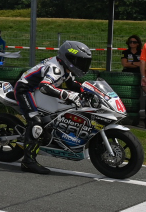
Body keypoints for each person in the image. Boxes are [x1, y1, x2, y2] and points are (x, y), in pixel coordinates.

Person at [14, 41, 91, 174]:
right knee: (35, 121)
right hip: (25, 90)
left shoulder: (65, 68)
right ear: (68, 59)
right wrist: (65, 94)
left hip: (37, 91)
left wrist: (88, 91)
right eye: (79, 61)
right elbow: (44, 86)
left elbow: (71, 84)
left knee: (55, 114)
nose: (82, 65)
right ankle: (28, 162)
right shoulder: (55, 68)